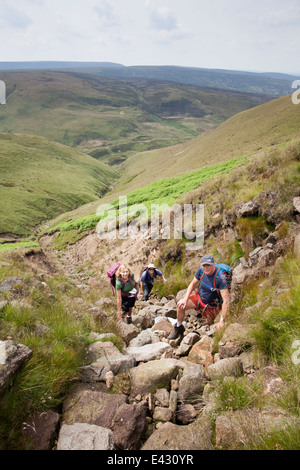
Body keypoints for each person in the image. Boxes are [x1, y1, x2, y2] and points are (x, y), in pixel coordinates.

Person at [168, 255, 230, 340]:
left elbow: (226, 300)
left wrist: (222, 320)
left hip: (212, 305)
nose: (206, 268)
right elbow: (193, 284)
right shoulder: (201, 271)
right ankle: (178, 327)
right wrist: (185, 298)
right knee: (180, 306)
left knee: (211, 324)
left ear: (214, 264)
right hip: (199, 297)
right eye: (204, 265)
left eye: (209, 265)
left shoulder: (220, 277)